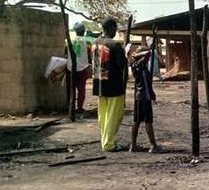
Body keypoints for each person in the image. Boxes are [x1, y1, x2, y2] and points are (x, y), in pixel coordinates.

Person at [92, 18, 128, 152]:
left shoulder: (95, 43)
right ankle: (109, 144)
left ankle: (105, 139)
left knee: (103, 114)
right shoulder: (115, 45)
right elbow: (121, 64)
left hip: (99, 83)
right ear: (112, 29)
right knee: (115, 114)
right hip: (113, 85)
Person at [128, 44, 161, 153]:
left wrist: (152, 93)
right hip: (143, 96)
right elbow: (148, 53)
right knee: (148, 121)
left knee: (137, 121)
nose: (148, 58)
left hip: (139, 95)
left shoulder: (137, 64)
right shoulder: (138, 64)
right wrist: (137, 53)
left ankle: (133, 145)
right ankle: (153, 145)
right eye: (147, 57)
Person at [65, 22, 93, 115]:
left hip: (70, 67)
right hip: (83, 67)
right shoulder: (87, 41)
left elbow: (65, 53)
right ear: (83, 31)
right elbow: (89, 55)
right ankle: (80, 108)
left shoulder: (67, 41)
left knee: (69, 88)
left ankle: (70, 106)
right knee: (81, 89)